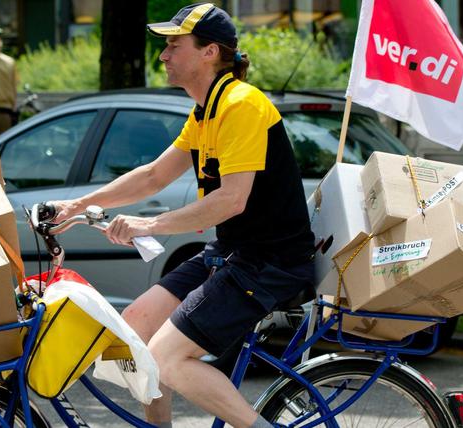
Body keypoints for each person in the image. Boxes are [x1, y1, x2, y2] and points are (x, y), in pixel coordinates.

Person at [50, 4, 315, 427]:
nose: (163, 55)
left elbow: (232, 200)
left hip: (268, 262)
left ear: (209, 51)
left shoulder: (241, 105)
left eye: (174, 45)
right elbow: (154, 175)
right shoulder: (206, 109)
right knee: (134, 327)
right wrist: (78, 206)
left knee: (165, 358)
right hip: (233, 252)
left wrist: (149, 224)